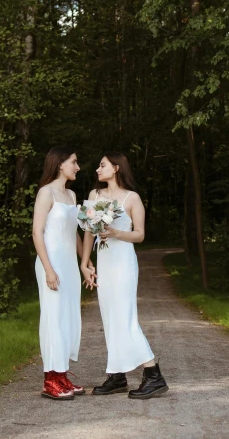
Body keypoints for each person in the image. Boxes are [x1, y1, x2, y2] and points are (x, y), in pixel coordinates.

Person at [80, 151, 169, 399]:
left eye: (102, 165)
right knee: (109, 317)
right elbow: (89, 231)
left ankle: (153, 374)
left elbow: (139, 235)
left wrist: (116, 233)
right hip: (104, 261)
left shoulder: (132, 199)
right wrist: (85, 262)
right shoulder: (94, 196)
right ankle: (117, 376)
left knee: (124, 317)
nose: (98, 169)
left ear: (116, 168)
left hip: (123, 262)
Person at [32, 146, 87, 400]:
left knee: (67, 317)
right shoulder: (47, 193)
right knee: (53, 318)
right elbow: (37, 232)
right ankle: (50, 380)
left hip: (68, 265)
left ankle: (62, 374)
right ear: (60, 164)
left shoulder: (72, 195)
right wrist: (48, 269)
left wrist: (85, 262)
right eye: (74, 162)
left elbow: (74, 233)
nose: (77, 166)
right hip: (51, 262)